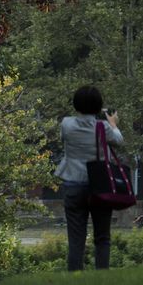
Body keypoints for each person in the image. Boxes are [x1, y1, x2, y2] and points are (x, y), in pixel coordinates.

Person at [54, 85, 123, 271]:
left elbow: (63, 139)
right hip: (99, 186)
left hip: (73, 184)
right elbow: (119, 140)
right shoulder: (103, 127)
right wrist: (113, 122)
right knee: (102, 237)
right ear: (98, 106)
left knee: (76, 238)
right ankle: (101, 277)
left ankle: (75, 278)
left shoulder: (66, 124)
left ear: (76, 104)